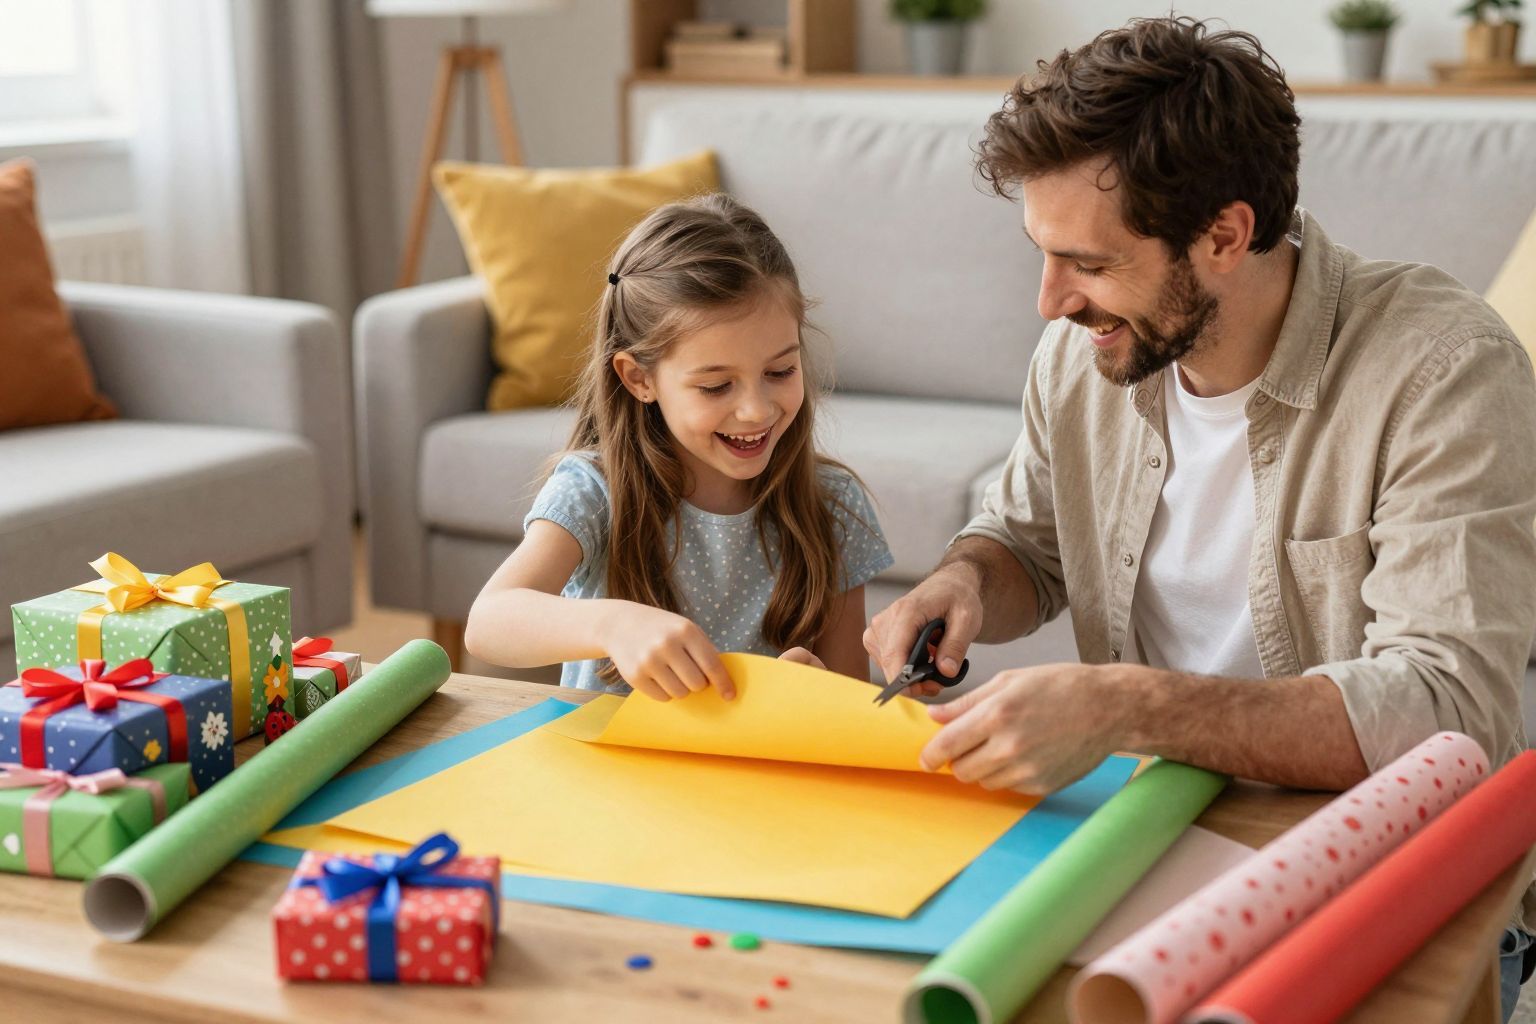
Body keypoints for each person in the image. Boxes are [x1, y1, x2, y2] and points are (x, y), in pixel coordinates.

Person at [861, 17, 1536, 1018]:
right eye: (1042, 255)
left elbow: (1451, 711)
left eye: (1086, 262)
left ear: (1225, 235)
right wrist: (965, 576)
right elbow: (1027, 543)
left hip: (1365, 874)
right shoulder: (1086, 353)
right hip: (1143, 843)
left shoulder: (1441, 370)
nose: (1050, 302)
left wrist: (1125, 705)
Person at [466, 193, 893, 700]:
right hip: (611, 773)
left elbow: (850, 712)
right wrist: (612, 624)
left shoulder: (834, 505)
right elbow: (488, 621)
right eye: (716, 386)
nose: (756, 410)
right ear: (639, 378)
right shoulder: (596, 490)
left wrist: (812, 697)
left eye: (780, 371)